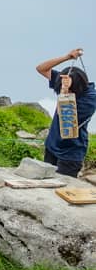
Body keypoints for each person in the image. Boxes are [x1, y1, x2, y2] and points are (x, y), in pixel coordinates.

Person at [36, 48, 96, 177]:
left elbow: (67, 117)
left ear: (76, 88)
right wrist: (67, 57)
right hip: (52, 146)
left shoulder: (90, 98)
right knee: (46, 182)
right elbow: (41, 68)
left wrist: (65, 91)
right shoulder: (66, 81)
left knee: (61, 189)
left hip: (71, 153)